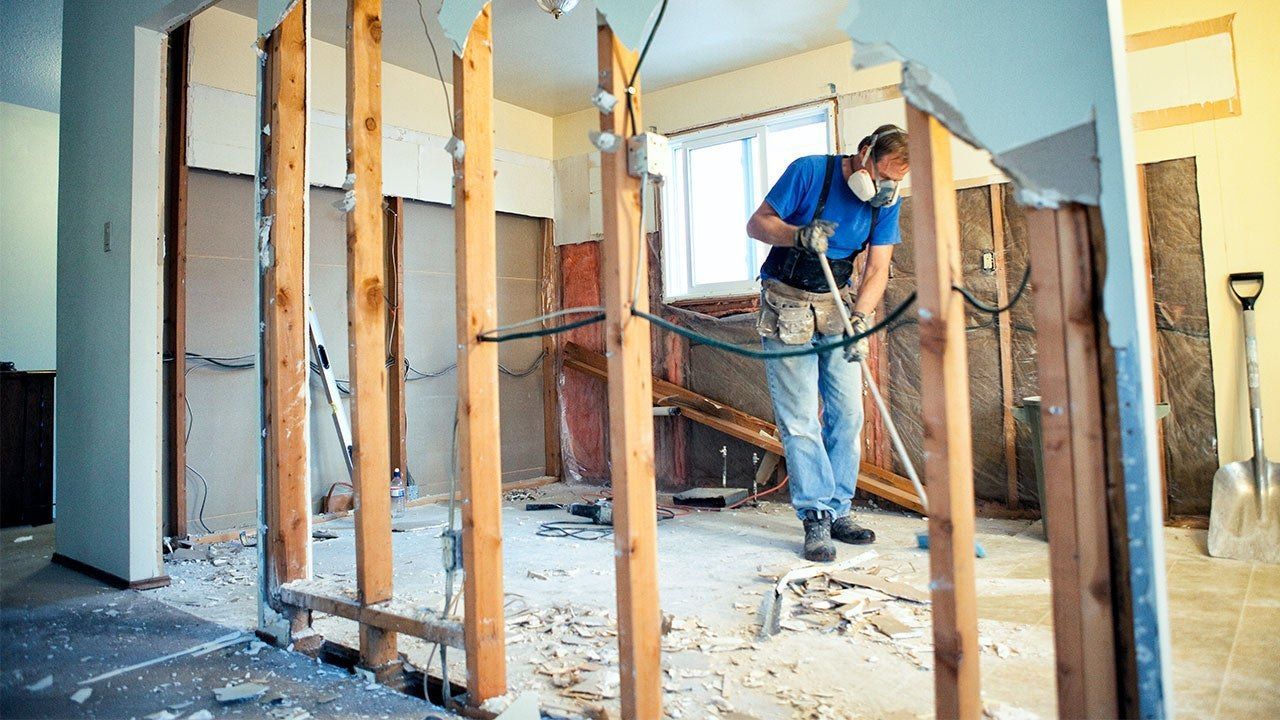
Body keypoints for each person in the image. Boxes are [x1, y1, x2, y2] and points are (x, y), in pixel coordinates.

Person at [745, 124, 909, 562]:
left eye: (896, 181)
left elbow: (876, 270)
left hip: (838, 306)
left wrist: (860, 319)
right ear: (863, 153)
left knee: (848, 415)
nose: (886, 187)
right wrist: (796, 234)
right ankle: (815, 515)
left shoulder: (884, 205)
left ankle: (839, 509)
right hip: (788, 302)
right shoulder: (809, 172)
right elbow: (756, 224)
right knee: (800, 418)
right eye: (882, 175)